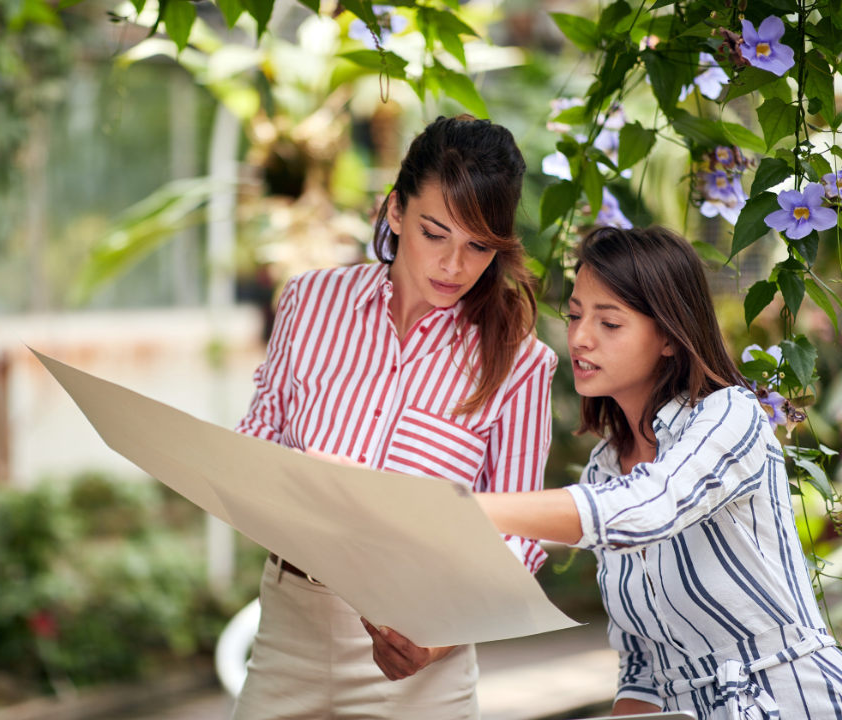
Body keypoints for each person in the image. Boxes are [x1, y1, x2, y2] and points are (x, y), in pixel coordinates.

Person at [231, 115, 557, 720]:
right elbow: (255, 441)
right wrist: (305, 475)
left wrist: (437, 636)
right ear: (396, 211)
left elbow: (519, 533)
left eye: (479, 246)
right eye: (436, 233)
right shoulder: (309, 304)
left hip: (421, 654)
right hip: (287, 634)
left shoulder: (518, 359)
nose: (455, 266)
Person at [472, 225, 842, 718]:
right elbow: (643, 668)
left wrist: (464, 507)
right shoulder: (603, 471)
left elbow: (650, 507)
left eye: (610, 323)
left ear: (668, 335)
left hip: (790, 698)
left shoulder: (732, 416)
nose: (579, 338)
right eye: (576, 315)